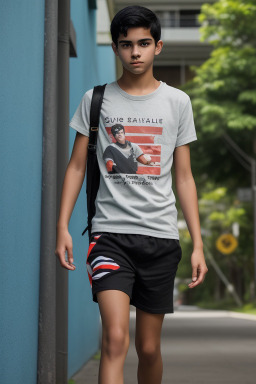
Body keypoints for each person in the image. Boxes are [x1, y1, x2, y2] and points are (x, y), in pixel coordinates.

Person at [55, 5, 208, 384]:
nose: (135, 52)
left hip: (160, 237)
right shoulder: (96, 100)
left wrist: (199, 243)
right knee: (115, 339)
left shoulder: (178, 102)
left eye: (143, 43)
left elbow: (184, 179)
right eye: (126, 44)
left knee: (150, 348)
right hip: (110, 237)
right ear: (116, 49)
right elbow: (76, 166)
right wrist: (61, 226)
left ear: (158, 46)